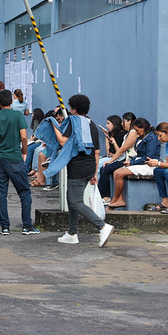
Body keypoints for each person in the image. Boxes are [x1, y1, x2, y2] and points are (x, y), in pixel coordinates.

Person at [46, 94, 114, 247]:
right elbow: (97, 151)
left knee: (75, 201)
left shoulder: (74, 122)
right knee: (72, 199)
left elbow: (63, 141)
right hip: (89, 166)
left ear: (74, 108)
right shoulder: (91, 124)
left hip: (77, 166)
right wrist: (94, 172)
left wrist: (54, 126)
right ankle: (72, 233)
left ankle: (102, 227)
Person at [0, 89, 37, 235]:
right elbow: (24, 137)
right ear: (12, 101)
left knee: (1, 194)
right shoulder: (17, 115)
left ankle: (5, 227)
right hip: (14, 158)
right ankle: (26, 226)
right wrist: (25, 151)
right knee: (24, 192)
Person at [105, 118, 159, 209]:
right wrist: (131, 161)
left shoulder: (151, 138)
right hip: (140, 163)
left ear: (143, 128)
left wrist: (132, 162)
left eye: (137, 130)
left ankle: (115, 200)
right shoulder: (140, 138)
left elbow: (148, 157)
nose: (136, 132)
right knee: (117, 172)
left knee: (119, 173)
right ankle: (119, 199)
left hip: (149, 165)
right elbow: (139, 154)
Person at [97, 112, 138, 203]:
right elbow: (110, 152)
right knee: (105, 169)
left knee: (106, 169)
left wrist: (111, 160)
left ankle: (105, 196)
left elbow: (122, 149)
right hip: (124, 159)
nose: (122, 124)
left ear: (129, 121)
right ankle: (104, 195)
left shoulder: (133, 132)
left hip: (129, 160)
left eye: (124, 122)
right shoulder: (127, 134)